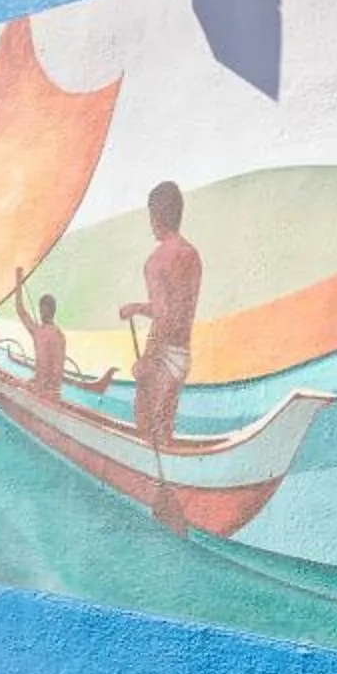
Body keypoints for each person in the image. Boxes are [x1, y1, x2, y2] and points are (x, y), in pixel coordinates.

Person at [117, 181, 202, 526]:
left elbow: (165, 316)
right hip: (183, 353)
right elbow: (179, 309)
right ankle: (169, 494)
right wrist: (140, 307)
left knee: (145, 430)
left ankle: (156, 499)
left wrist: (146, 363)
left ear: (156, 216)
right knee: (165, 430)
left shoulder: (156, 261)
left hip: (163, 354)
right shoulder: (192, 255)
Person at [9, 266, 112, 404]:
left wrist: (18, 280)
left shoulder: (38, 332)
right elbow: (53, 369)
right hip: (56, 394)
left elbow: (20, 310)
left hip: (41, 394)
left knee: (14, 386)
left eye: (42, 309)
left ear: (42, 311)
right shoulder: (60, 335)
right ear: (54, 311)